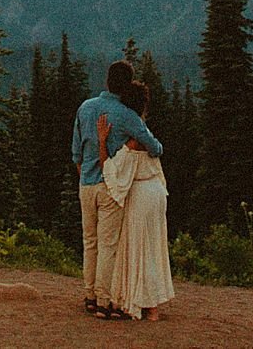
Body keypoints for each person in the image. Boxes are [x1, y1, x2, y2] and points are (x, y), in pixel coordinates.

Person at [72, 59, 163, 318]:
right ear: (126, 86)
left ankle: (89, 296)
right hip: (111, 187)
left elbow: (76, 152)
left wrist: (85, 178)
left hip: (86, 184)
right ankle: (104, 301)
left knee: (90, 242)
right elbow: (154, 147)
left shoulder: (85, 108)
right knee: (108, 244)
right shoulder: (126, 115)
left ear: (107, 80)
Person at [100, 80, 174, 322]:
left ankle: (141, 304)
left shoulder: (133, 143)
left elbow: (110, 170)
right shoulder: (148, 138)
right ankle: (153, 307)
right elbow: (158, 149)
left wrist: (102, 142)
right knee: (154, 248)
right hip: (157, 192)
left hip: (140, 195)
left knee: (137, 249)